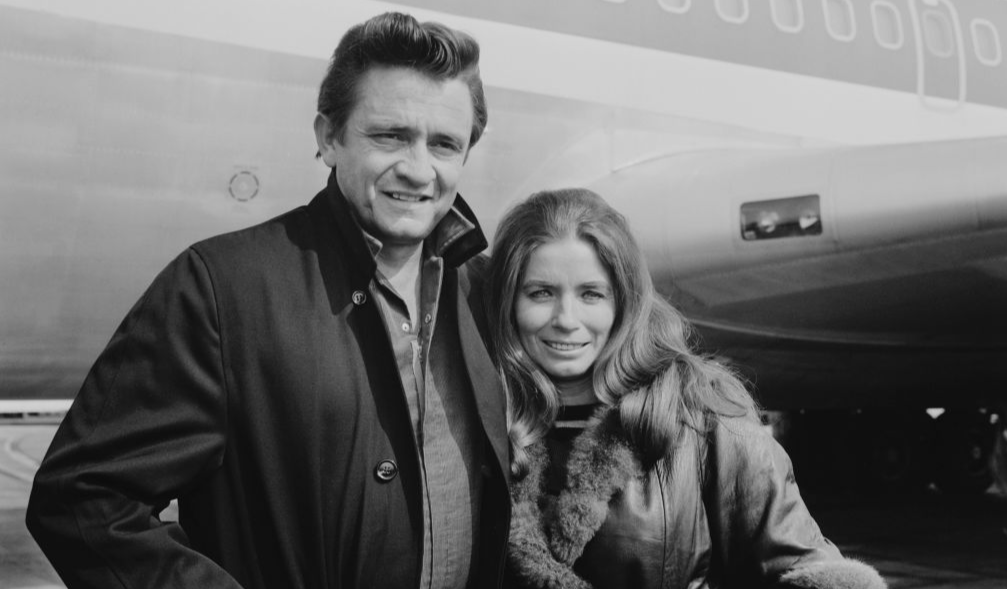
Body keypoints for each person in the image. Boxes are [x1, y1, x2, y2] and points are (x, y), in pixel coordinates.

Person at [26, 12, 510, 589]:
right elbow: (83, 498)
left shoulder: (485, 292)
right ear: (328, 137)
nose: (418, 168)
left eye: (445, 144)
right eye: (390, 136)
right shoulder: (220, 287)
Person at [485, 188, 886, 589]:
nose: (566, 319)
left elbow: (810, 572)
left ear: (623, 302)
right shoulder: (480, 419)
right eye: (541, 293)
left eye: (591, 294)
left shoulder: (703, 417)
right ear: (509, 302)